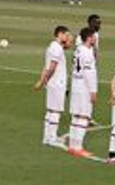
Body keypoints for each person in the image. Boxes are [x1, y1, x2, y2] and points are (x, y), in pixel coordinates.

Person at [34, 26, 72, 149]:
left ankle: (47, 137)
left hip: (52, 83)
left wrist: (43, 81)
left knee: (50, 110)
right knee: (56, 111)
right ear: (60, 34)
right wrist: (44, 80)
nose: (68, 37)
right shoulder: (57, 48)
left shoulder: (52, 46)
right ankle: (52, 138)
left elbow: (46, 66)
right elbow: (52, 67)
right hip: (57, 83)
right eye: (66, 35)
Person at [67, 27, 98, 157]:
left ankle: (72, 145)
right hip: (84, 87)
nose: (95, 39)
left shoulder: (78, 49)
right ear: (89, 38)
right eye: (94, 37)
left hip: (76, 84)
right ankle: (78, 147)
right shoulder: (87, 52)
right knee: (84, 116)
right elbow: (88, 73)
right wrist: (93, 91)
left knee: (76, 116)